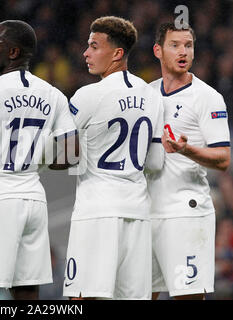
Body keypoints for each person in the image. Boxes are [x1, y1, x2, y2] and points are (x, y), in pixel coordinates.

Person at [0, 20, 77, 300]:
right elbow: (73, 155)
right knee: (26, 290)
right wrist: (39, 162)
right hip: (33, 200)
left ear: (12, 53)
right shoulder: (54, 95)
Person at [62, 16, 164, 300]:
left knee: (81, 296)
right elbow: (155, 163)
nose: (86, 53)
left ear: (117, 54)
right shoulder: (152, 96)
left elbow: (60, 155)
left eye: (94, 46)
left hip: (96, 210)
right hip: (138, 211)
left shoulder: (88, 95)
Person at [147, 22, 231, 300]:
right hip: (145, 212)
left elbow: (223, 159)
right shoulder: (145, 95)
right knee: (139, 295)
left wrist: (187, 150)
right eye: (175, 45)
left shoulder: (208, 98)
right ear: (158, 51)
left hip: (186, 213)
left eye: (188, 45)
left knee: (188, 297)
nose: (183, 51)